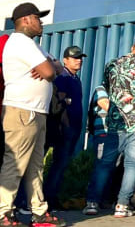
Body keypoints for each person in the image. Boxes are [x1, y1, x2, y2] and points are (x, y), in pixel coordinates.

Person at [0, 3, 64, 227]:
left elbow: (57, 66)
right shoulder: (20, 42)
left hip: (36, 111)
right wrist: (48, 68)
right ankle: (3, 212)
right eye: (37, 18)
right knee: (15, 163)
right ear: (25, 20)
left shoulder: (33, 45)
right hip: (22, 110)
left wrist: (49, 66)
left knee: (35, 166)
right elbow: (49, 71)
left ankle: (39, 212)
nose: (41, 22)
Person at [85, 36, 135, 218]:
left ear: (133, 47)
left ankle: (92, 203)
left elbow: (107, 87)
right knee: (132, 165)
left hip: (116, 122)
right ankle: (122, 205)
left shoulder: (112, 65)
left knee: (105, 163)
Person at [43, 46, 86, 208]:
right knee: (58, 164)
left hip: (72, 128)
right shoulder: (62, 78)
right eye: (75, 58)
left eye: (80, 58)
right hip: (62, 128)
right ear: (65, 60)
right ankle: (47, 198)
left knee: (62, 164)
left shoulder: (75, 79)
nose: (79, 61)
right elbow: (58, 103)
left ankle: (51, 197)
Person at [82, 84, 110, 216]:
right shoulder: (101, 89)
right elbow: (105, 104)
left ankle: (105, 199)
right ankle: (92, 201)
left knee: (113, 167)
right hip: (103, 133)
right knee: (101, 167)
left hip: (118, 133)